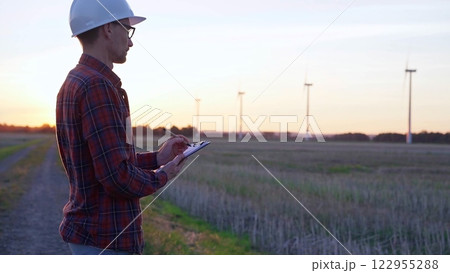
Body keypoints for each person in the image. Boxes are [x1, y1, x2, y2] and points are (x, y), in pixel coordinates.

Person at [56, 0, 188, 255]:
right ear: (108, 29)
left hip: (92, 234)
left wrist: (158, 158)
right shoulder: (97, 86)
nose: (130, 42)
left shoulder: (75, 80)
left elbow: (106, 162)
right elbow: (117, 178)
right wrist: (164, 173)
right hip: (106, 237)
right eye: (127, 30)